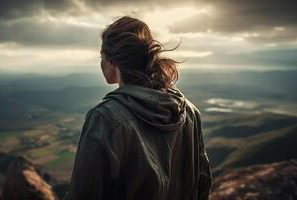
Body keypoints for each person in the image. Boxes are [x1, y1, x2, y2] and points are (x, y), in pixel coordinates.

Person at [66, 16, 212, 200]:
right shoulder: (189, 112)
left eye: (101, 56)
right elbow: (202, 183)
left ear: (112, 61)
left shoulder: (105, 119)